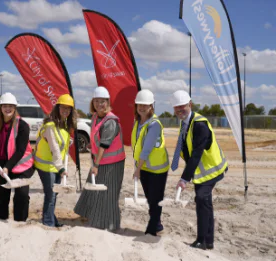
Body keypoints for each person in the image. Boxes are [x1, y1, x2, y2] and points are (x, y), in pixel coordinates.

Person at [170, 90, 227, 250]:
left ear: (190, 104)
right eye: (176, 108)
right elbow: (184, 147)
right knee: (204, 202)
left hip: (211, 170)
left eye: (182, 106)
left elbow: (196, 154)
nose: (179, 110)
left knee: (202, 199)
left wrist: (184, 179)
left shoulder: (199, 124)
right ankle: (208, 241)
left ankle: (202, 241)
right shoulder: (185, 123)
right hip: (201, 172)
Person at [74, 86, 126, 231]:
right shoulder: (96, 117)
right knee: (92, 187)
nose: (99, 104)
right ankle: (90, 215)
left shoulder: (110, 121)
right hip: (100, 160)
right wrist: (92, 145)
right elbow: (97, 136)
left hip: (113, 163)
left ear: (107, 102)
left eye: (102, 101)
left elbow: (104, 145)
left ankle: (110, 224)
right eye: (96, 101)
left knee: (108, 193)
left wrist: (95, 165)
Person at [0, 92, 34, 222]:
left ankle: (20, 223)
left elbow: (20, 150)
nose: (7, 109)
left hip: (21, 166)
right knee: (2, 195)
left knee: (21, 196)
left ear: (15, 108)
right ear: (0, 107)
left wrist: (8, 167)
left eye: (10, 106)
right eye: (5, 106)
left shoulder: (22, 126)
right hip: (0, 163)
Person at [33, 94, 77, 227]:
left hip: (55, 166)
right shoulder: (50, 126)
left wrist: (69, 141)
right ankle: (48, 223)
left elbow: (60, 144)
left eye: (68, 109)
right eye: (63, 108)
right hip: (47, 167)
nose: (66, 111)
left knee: (54, 194)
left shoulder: (63, 125)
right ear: (57, 108)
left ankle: (51, 218)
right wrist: (61, 168)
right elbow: (55, 149)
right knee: (51, 195)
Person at [131, 89, 169, 236]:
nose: (141, 107)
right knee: (150, 199)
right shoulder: (138, 121)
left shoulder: (154, 124)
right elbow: (137, 144)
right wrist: (139, 166)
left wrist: (137, 169)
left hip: (157, 169)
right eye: (139, 104)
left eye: (145, 105)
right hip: (145, 167)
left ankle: (151, 230)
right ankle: (157, 224)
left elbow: (146, 149)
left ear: (151, 106)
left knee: (155, 200)